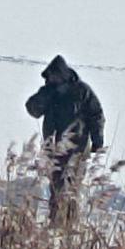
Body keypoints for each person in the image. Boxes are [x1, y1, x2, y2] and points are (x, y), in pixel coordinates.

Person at [25, 54, 105, 226]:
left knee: (72, 185)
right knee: (56, 185)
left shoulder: (82, 91)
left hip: (78, 148)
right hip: (54, 148)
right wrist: (44, 97)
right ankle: (56, 221)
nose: (53, 79)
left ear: (63, 74)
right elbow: (33, 110)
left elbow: (96, 115)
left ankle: (70, 222)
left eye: (55, 76)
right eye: (50, 77)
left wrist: (97, 140)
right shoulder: (48, 92)